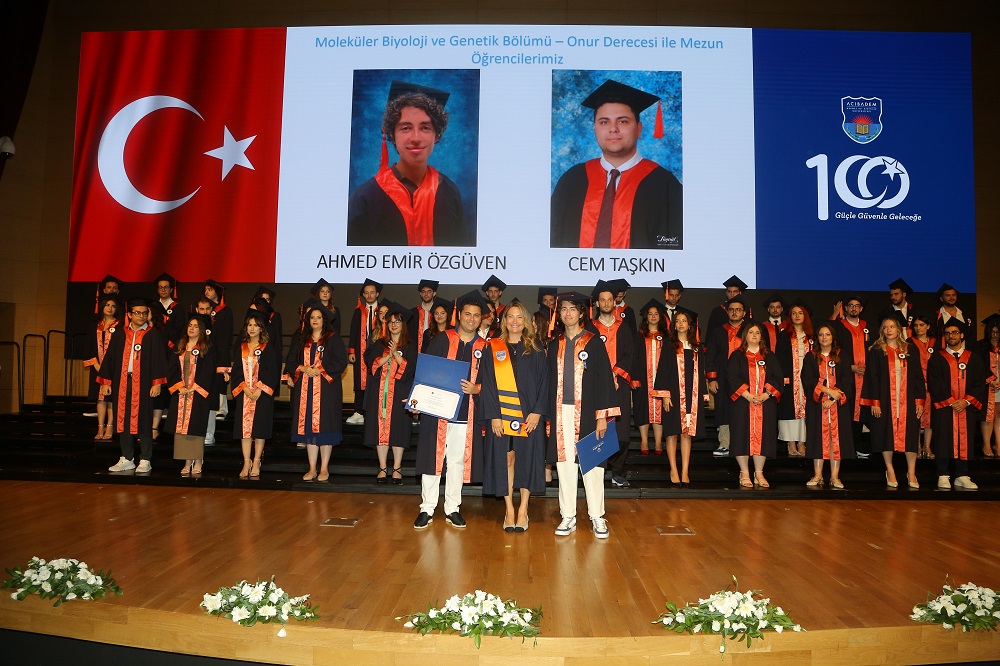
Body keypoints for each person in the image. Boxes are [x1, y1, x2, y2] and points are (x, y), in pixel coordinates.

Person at [550, 79, 682, 250]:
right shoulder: (572, 180)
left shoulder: (665, 185)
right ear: (595, 128)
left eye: (623, 121)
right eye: (604, 122)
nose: (613, 129)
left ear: (639, 128)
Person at [347, 81, 468, 246]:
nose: (416, 138)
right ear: (392, 135)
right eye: (405, 128)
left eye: (425, 128)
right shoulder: (364, 198)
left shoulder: (450, 192)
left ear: (437, 135)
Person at [413, 292, 488, 530]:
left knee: (457, 461)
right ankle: (427, 508)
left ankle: (453, 508)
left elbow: (492, 383)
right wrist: (417, 399)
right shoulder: (441, 340)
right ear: (459, 315)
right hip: (437, 412)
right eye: (467, 314)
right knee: (433, 459)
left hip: (466, 414)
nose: (471, 319)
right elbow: (425, 372)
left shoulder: (485, 347)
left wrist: (477, 389)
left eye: (476, 315)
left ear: (481, 319)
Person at [547, 292, 619, 539]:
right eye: (563, 309)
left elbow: (604, 381)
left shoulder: (593, 343)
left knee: (593, 464)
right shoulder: (554, 344)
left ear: (580, 313)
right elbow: (548, 382)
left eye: (572, 309)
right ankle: (568, 515)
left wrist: (602, 416)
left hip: (589, 412)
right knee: (565, 464)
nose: (567, 313)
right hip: (561, 412)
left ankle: (597, 516)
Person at [480, 300, 548, 533]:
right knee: (506, 460)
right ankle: (509, 509)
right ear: (504, 320)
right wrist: (494, 415)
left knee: (526, 459)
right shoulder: (494, 347)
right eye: (511, 316)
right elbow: (488, 384)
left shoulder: (536, 348)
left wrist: (538, 411)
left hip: (529, 415)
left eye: (520, 317)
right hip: (502, 414)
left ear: (526, 321)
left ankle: (523, 509)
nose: (515, 321)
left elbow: (544, 382)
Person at [98, 297, 168, 474]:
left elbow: (159, 360)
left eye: (144, 313)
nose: (141, 316)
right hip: (122, 381)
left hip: (144, 383)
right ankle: (127, 458)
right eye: (137, 313)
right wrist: (106, 382)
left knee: (144, 419)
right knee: (123, 419)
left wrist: (157, 383)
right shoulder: (120, 334)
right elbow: (110, 358)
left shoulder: (152, 335)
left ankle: (145, 459)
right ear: (129, 314)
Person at [860, 314, 926, 489]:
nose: (888, 330)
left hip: (907, 399)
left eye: (892, 327)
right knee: (885, 433)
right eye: (885, 327)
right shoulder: (876, 350)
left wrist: (919, 400)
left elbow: (918, 376)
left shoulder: (910, 349)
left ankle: (911, 472)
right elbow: (871, 377)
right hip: (885, 399)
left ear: (898, 329)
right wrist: (875, 401)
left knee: (910, 434)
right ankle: (890, 470)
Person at [284, 306, 348, 482]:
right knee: (309, 430)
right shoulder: (301, 338)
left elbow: (341, 362)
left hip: (327, 391)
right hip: (305, 390)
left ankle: (324, 468)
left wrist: (320, 370)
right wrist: (303, 368)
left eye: (318, 317)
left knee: (326, 428)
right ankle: (312, 468)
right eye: (312, 317)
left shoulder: (333, 339)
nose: (315, 320)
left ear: (324, 320)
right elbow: (290, 361)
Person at [927, 320, 987, 490]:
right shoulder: (937, 358)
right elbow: (934, 383)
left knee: (965, 438)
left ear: (961, 335)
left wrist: (966, 401)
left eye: (954, 332)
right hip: (945, 407)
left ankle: (962, 475)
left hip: (966, 407)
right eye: (947, 333)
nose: (950, 336)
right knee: (943, 437)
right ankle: (943, 474)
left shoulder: (973, 358)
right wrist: (951, 401)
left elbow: (980, 383)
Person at [364, 303, 417, 485]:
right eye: (391, 321)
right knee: (379, 429)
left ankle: (397, 468)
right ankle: (382, 467)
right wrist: (388, 355)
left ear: (403, 325)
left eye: (397, 321)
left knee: (398, 429)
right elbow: (371, 364)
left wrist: (397, 354)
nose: (394, 325)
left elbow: (411, 368)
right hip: (379, 392)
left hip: (400, 391)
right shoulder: (379, 344)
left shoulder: (410, 345)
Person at [590, 280, 637, 487]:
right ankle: (597, 470)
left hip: (620, 384)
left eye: (610, 300)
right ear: (597, 303)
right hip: (596, 385)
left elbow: (629, 355)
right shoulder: (590, 328)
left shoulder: (623, 328)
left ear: (614, 302)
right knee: (596, 426)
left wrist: (616, 374)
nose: (607, 303)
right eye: (603, 300)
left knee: (621, 428)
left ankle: (617, 471)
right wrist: (602, 377)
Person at [726, 322, 783, 489]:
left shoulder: (769, 356)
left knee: (764, 437)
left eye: (757, 332)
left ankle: (759, 472)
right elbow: (731, 377)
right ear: (745, 336)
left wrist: (766, 394)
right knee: (741, 435)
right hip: (742, 403)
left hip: (765, 404)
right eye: (751, 332)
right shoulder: (737, 356)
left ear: (761, 336)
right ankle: (744, 472)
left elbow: (778, 378)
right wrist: (748, 395)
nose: (754, 335)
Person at [165, 313, 222, 476]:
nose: (192, 328)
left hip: (197, 393)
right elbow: (172, 368)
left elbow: (208, 371)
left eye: (196, 326)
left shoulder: (207, 347)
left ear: (201, 330)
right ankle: (186, 460)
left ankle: (197, 460)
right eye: (190, 325)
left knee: (196, 428)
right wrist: (179, 386)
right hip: (181, 392)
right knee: (181, 428)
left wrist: (194, 387)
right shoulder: (180, 346)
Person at [654, 310, 704, 487]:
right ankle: (673, 470)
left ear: (690, 325)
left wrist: (701, 395)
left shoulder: (696, 347)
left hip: (691, 396)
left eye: (684, 321)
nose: (681, 323)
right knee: (672, 433)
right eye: (678, 321)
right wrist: (665, 395)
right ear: (674, 325)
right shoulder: (670, 345)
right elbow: (663, 370)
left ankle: (685, 471)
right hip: (674, 396)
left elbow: (700, 373)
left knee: (686, 434)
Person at [801, 322, 855, 488]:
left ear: (833, 337)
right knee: (818, 439)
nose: (824, 337)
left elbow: (847, 380)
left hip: (838, 406)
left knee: (836, 441)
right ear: (817, 338)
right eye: (821, 335)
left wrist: (833, 398)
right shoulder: (811, 357)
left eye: (827, 334)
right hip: (817, 406)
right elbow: (807, 380)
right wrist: (825, 391)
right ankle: (818, 475)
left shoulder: (842, 356)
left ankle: (834, 476)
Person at [706, 295, 761, 457]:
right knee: (723, 410)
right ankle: (725, 443)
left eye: (738, 310)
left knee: (744, 409)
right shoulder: (719, 331)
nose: (734, 312)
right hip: (723, 378)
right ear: (727, 312)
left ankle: (744, 444)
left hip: (746, 377)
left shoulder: (750, 331)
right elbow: (711, 356)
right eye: (731, 310)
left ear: (744, 313)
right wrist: (712, 378)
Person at [231, 310, 280, 479]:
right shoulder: (241, 347)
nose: (252, 328)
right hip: (245, 393)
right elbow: (237, 371)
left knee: (259, 429)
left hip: (261, 394)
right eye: (249, 325)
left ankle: (257, 460)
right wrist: (244, 387)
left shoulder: (267, 348)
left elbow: (272, 371)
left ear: (261, 328)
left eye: (255, 325)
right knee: (244, 430)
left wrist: (260, 388)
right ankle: (246, 461)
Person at [830, 295, 871, 459]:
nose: (854, 308)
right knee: (847, 410)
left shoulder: (868, 327)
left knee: (863, 411)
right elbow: (832, 351)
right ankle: (846, 447)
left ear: (861, 308)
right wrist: (850, 367)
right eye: (851, 305)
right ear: (845, 308)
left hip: (865, 377)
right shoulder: (839, 327)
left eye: (857, 305)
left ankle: (859, 445)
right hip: (847, 376)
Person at [775, 302, 813, 458]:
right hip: (790, 378)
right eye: (794, 313)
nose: (797, 316)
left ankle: (802, 442)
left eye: (800, 313)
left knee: (807, 409)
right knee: (788, 409)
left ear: (805, 316)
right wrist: (783, 377)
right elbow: (779, 359)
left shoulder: (811, 336)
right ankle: (790, 442)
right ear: (790, 317)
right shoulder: (784, 336)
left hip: (808, 378)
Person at [83, 293, 121, 440]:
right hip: (97, 368)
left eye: (113, 306)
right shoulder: (94, 325)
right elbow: (88, 347)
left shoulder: (120, 326)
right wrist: (96, 364)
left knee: (111, 398)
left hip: (113, 368)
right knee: (100, 398)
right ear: (102, 307)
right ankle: (100, 427)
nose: (110, 308)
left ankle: (110, 426)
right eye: (107, 305)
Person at [634, 298, 668, 456]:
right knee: (643, 409)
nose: (653, 316)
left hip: (661, 378)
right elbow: (634, 358)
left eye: (656, 314)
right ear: (646, 317)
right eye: (650, 314)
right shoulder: (639, 336)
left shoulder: (666, 336)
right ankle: (644, 440)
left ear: (660, 317)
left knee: (660, 409)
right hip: (643, 378)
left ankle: (659, 441)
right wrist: (634, 377)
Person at [347, 278, 382, 425]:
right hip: (361, 351)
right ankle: (358, 412)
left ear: (377, 294)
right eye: (366, 293)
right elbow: (353, 332)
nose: (369, 295)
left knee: (376, 380)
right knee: (359, 382)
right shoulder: (359, 311)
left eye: (372, 292)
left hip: (378, 352)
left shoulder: (383, 311)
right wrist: (352, 351)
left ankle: (375, 412)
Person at [909, 313, 937, 459]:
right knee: (916, 416)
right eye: (915, 325)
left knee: (930, 417)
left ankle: (927, 446)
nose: (918, 328)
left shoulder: (936, 342)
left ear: (928, 326)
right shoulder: (909, 342)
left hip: (933, 384)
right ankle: (916, 446)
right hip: (916, 384)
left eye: (921, 325)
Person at [978, 315, 1000, 458]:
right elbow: (978, 366)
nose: (995, 335)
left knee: (999, 413)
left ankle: (998, 444)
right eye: (992, 332)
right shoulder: (980, 346)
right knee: (988, 414)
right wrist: (990, 380)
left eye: (997, 332)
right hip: (987, 384)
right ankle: (986, 444)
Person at [410, 279, 449, 353]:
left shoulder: (440, 312)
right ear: (420, 294)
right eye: (423, 292)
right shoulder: (413, 313)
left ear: (434, 294)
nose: (426, 294)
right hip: (415, 352)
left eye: (429, 291)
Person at [706, 276, 749, 342]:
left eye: (735, 292)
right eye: (729, 292)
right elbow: (710, 333)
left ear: (740, 293)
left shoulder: (747, 311)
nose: (732, 295)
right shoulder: (717, 311)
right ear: (726, 293)